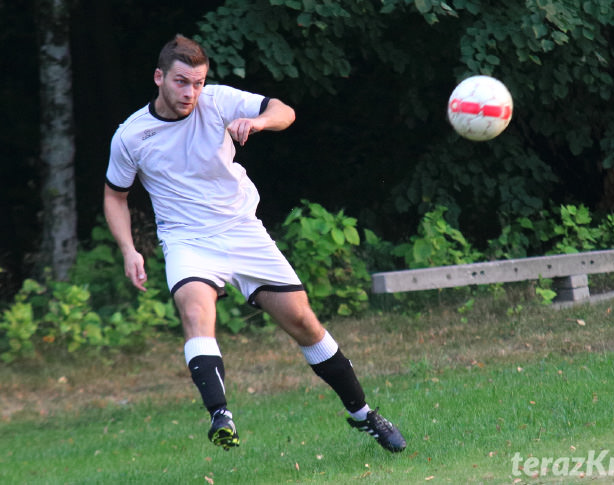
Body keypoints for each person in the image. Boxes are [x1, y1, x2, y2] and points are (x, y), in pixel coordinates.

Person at [103, 34, 406, 452]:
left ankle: (362, 414)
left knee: (303, 322)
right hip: (187, 239)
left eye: (198, 82)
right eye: (181, 82)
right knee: (194, 308)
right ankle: (220, 415)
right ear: (159, 78)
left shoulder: (219, 101)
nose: (191, 92)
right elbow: (114, 196)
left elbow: (284, 111)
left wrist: (259, 122)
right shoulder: (131, 136)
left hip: (242, 230)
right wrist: (128, 249)